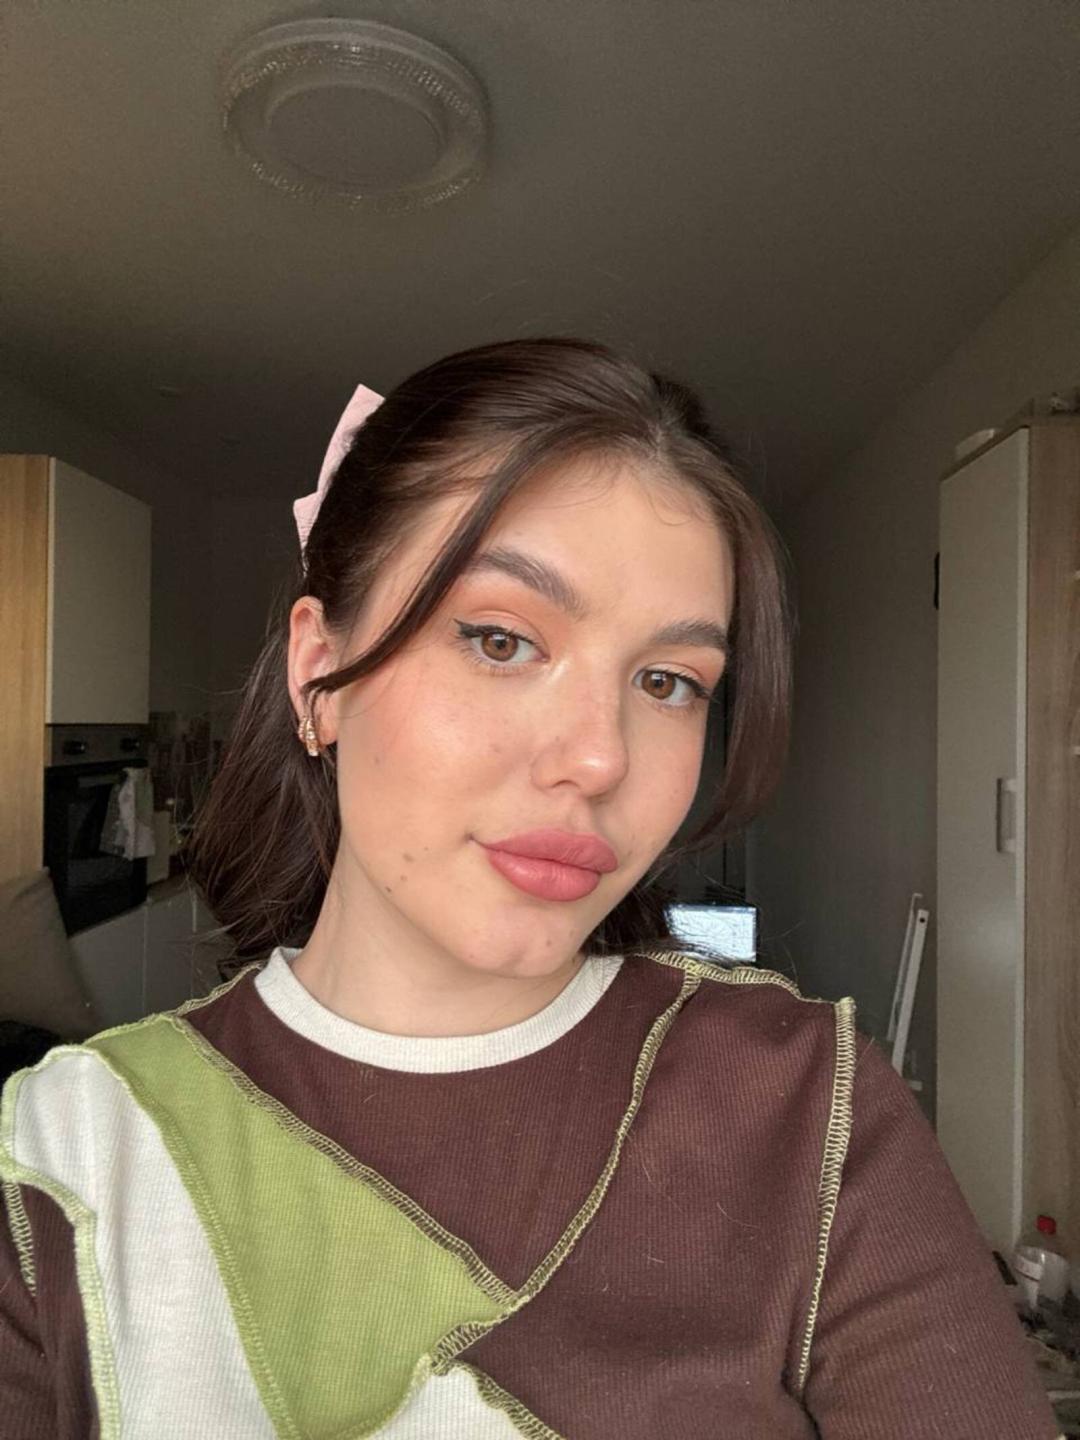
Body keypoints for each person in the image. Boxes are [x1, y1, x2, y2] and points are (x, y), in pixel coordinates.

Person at [0, 338, 1060, 1439]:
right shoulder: (62, 1159)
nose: (600, 758)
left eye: (667, 681)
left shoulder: (812, 1113)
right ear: (318, 674)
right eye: (501, 640)